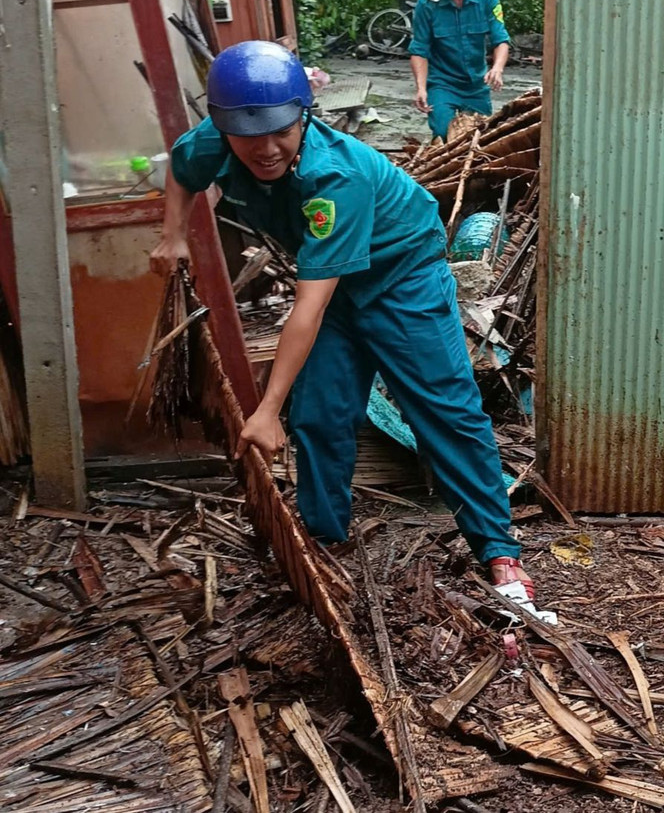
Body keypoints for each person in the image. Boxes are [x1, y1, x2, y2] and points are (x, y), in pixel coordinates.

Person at [149, 40, 533, 596]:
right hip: (332, 281)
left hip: (402, 276)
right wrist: (172, 236)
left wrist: (266, 409)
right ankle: (325, 541)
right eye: (247, 135)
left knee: (445, 409)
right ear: (223, 125)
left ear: (305, 114)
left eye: (281, 130)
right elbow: (183, 173)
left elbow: (308, 304)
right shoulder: (219, 138)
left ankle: (498, 550)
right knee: (322, 414)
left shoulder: (336, 179)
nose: (265, 149)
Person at [409, 0, 511, 142]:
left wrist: (497, 68)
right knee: (443, 132)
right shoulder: (427, 4)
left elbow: (501, 40)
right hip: (442, 83)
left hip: (475, 83)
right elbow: (420, 49)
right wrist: (421, 87)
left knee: (482, 136)